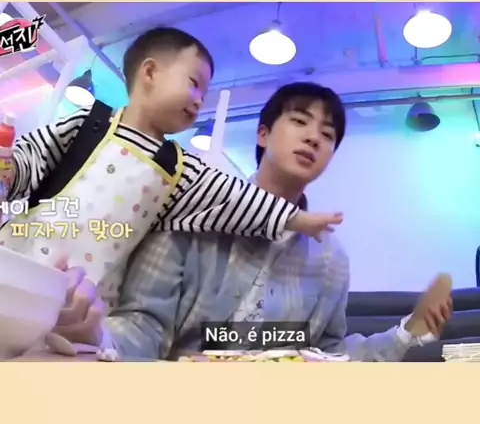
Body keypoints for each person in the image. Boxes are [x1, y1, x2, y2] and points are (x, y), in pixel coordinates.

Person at [47, 82, 452, 361]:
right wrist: (95, 335)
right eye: (299, 121)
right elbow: (145, 326)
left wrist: (405, 333)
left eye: (328, 134)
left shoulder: (331, 259)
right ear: (262, 134)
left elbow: (327, 356)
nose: (314, 137)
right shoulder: (195, 213)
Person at [0, 30, 342, 311]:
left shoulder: (180, 168)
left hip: (86, 301)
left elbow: (237, 199)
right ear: (150, 73)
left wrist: (296, 220)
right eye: (194, 83)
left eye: (204, 93)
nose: (199, 100)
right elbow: (31, 160)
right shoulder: (89, 123)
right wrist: (9, 170)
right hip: (19, 263)